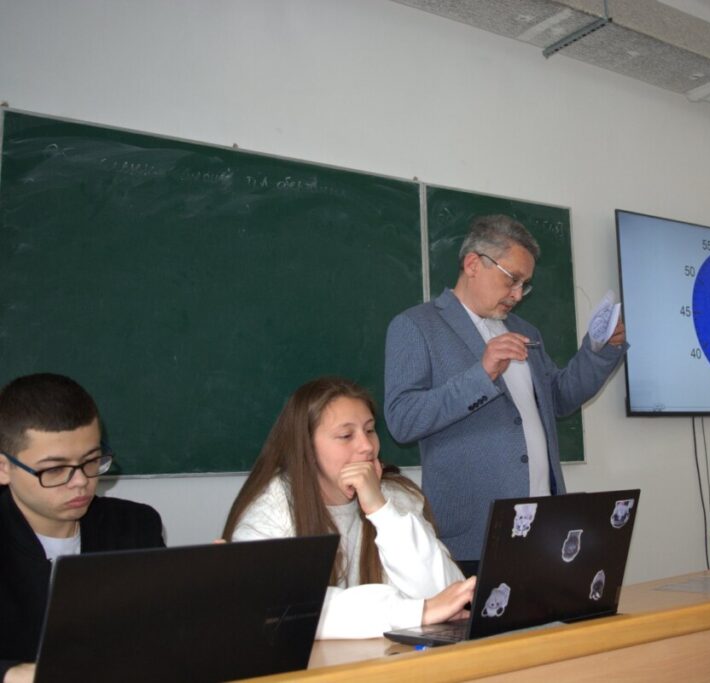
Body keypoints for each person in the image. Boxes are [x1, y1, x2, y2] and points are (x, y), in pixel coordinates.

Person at [384, 214, 627, 573]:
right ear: (473, 264)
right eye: (512, 279)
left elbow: (558, 399)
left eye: (524, 285)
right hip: (474, 535)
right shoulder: (416, 326)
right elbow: (403, 420)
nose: (517, 295)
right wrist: (481, 374)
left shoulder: (525, 329)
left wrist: (599, 351)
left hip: (544, 524)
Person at [221, 376, 474, 639]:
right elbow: (286, 609)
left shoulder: (393, 496)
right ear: (307, 448)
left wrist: (381, 510)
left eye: (370, 430)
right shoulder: (271, 511)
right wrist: (414, 612)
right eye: (346, 435)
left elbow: (451, 595)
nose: (367, 447)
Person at [0, 373, 165, 683]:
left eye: (91, 460)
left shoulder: (134, 527)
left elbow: (158, 636)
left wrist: (206, 595)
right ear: (3, 468)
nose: (81, 482)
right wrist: (11, 674)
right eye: (55, 469)